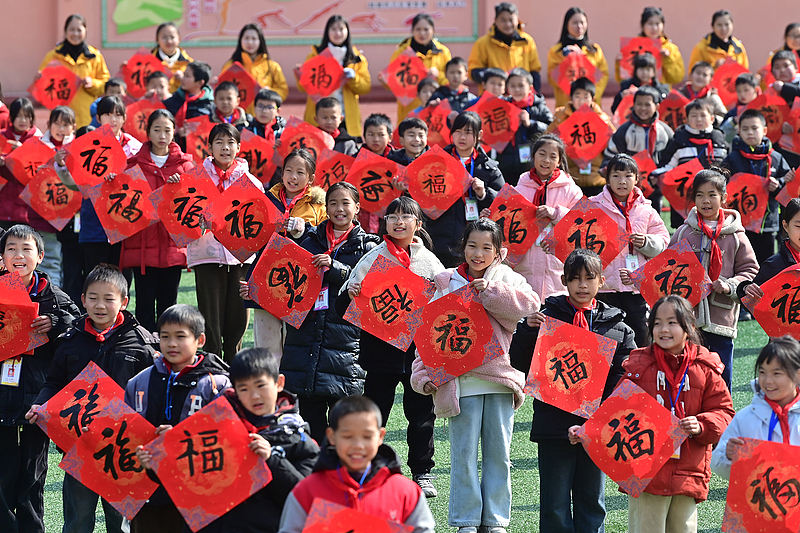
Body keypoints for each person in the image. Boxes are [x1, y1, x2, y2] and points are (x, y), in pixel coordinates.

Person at [411, 219, 539, 533]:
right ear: (463, 247)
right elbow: (426, 333)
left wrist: (491, 291)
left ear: (499, 252)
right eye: (472, 246)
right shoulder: (445, 281)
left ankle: (495, 520)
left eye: (486, 248)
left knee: (500, 454)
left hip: (499, 380)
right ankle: (467, 520)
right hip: (459, 383)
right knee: (463, 455)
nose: (477, 254)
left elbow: (531, 308)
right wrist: (421, 374)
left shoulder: (507, 278)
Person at [511, 249, 636, 533]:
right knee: (554, 503)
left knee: (592, 499)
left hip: (597, 426)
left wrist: (599, 413)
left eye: (589, 278)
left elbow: (624, 378)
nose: (582, 285)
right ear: (564, 280)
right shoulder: (545, 318)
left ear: (602, 281)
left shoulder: (618, 327)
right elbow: (518, 362)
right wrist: (527, 331)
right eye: (575, 278)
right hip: (554, 424)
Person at [27, 264, 155, 533]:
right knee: (77, 521)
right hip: (79, 447)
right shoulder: (70, 340)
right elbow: (54, 382)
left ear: (123, 301)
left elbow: (151, 392)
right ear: (83, 300)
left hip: (122, 450)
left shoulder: (140, 343)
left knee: (120, 525)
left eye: (109, 299)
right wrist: (41, 402)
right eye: (93, 298)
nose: (100, 305)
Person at [335, 197, 445, 498]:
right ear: (384, 223)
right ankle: (370, 467)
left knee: (421, 415)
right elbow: (341, 304)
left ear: (418, 225)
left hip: (417, 354)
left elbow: (444, 305)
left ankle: (422, 472)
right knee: (375, 413)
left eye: (406, 217)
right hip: (380, 351)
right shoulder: (372, 257)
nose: (398, 222)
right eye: (392, 216)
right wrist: (351, 292)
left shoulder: (429, 262)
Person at [604, 295, 734, 533]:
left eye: (672, 322)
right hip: (646, 471)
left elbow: (724, 412)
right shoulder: (638, 366)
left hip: (689, 468)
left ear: (689, 328)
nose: (663, 329)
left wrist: (702, 424)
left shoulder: (705, 368)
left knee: (683, 527)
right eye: (657, 323)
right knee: (646, 527)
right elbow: (615, 412)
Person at [278, 182, 380, 444]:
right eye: (333, 203)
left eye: (346, 203)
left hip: (344, 343)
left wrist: (335, 268)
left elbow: (370, 288)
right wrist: (256, 289)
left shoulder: (369, 247)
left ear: (357, 208)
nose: (339, 209)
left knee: (342, 420)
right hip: (304, 338)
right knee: (311, 421)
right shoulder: (308, 240)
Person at [0, 225, 79, 533]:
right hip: (2, 398)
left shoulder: (54, 297)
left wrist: (57, 324)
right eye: (11, 249)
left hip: (37, 399)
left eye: (26, 249)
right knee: (3, 477)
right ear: (2, 256)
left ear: (41, 256)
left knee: (33, 478)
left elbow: (77, 338)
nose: (18, 255)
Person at [126, 304, 230, 533]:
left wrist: (180, 438)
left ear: (200, 340)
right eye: (165, 337)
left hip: (198, 490)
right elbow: (125, 431)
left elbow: (228, 437)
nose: (172, 343)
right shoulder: (138, 382)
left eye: (180, 336)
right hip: (149, 490)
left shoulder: (217, 384)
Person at [197, 347, 319, 533]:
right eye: (244, 389)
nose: (254, 396)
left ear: (279, 383)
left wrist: (272, 459)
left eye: (261, 385)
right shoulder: (214, 428)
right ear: (234, 391)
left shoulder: (298, 438)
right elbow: (187, 479)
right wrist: (163, 454)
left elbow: (305, 497)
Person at [278, 396, 436, 533]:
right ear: (331, 437)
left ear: (381, 436)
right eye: (348, 436)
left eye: (367, 436)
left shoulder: (405, 492)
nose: (358, 445)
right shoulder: (308, 491)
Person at [668, 169, 759, 389]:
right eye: (699, 195)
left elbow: (750, 270)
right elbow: (667, 268)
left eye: (712, 194)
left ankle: (721, 418)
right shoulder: (684, 233)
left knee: (720, 373)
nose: (705, 201)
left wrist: (729, 285)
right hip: (688, 316)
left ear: (724, 198)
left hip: (721, 318)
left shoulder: (736, 235)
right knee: (688, 375)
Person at [242, 149, 326, 360]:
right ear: (282, 173)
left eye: (300, 172)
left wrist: (305, 228)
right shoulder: (265, 200)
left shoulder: (318, 205)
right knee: (266, 342)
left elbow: (325, 240)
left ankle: (289, 390)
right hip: (266, 278)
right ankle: (269, 387)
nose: (293, 177)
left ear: (311, 178)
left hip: (298, 281)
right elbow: (245, 232)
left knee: (294, 343)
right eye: (289, 170)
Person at [188, 123, 263, 361]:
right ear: (209, 147)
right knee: (210, 319)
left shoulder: (252, 182)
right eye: (219, 142)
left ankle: (233, 365)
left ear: (239, 147)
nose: (225, 147)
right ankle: (211, 364)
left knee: (237, 318)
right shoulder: (195, 179)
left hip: (241, 258)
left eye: (230, 142)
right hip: (206, 255)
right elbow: (182, 214)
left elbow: (260, 220)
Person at [119, 109, 194, 333]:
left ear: (174, 133)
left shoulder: (185, 166)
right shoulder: (132, 165)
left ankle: (167, 350)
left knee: (168, 305)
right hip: (142, 246)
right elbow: (121, 201)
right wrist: (113, 180)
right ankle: (145, 351)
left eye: (167, 130)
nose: (162, 135)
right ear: (148, 132)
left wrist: (180, 186)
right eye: (157, 130)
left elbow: (194, 202)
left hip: (172, 246)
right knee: (143, 304)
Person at [55, 95, 142, 279]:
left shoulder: (135, 147)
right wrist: (62, 165)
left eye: (118, 115)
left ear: (124, 119)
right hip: (95, 222)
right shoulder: (86, 145)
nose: (113, 119)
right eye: (108, 114)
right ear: (98, 118)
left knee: (122, 278)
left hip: (124, 220)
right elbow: (74, 185)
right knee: (95, 277)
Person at [594, 154, 670, 346]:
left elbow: (663, 242)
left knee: (640, 339)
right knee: (606, 341)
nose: (622, 181)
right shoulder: (593, 206)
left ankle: (639, 376)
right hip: (604, 286)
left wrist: (646, 242)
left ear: (637, 179)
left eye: (628, 176)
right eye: (616, 175)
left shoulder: (646, 210)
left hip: (637, 287)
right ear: (607, 178)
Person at [504, 134, 582, 299]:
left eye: (552, 156)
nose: (546, 160)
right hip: (525, 264)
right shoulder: (520, 187)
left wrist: (555, 213)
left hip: (556, 266)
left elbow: (581, 223)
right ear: (533, 157)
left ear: (559, 161)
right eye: (542, 154)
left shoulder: (571, 190)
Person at [712, 336, 800, 480]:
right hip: (757, 499)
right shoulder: (746, 417)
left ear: (798, 375)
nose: (767, 380)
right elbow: (717, 465)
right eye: (763, 372)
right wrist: (727, 456)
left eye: (776, 373)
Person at [427, 111, 504, 268]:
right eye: (458, 132)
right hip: (439, 236)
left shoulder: (488, 167)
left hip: (475, 243)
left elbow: (503, 201)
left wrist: (483, 193)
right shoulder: (435, 161)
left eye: (468, 132)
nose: (462, 137)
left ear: (479, 134)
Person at [0, 98, 63, 286]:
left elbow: (43, 174)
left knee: (29, 255)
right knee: (6, 255)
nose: (22, 121)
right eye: (18, 116)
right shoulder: (2, 136)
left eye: (26, 117)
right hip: (5, 204)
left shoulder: (38, 140)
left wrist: (21, 154)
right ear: (11, 118)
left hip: (29, 209)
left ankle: (38, 291)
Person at [722, 109, 794, 265]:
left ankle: (763, 289)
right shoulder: (733, 157)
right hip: (739, 222)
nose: (750, 133)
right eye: (745, 129)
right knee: (740, 260)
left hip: (768, 223)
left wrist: (779, 183)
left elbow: (789, 187)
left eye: (755, 128)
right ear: (739, 131)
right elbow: (721, 182)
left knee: (766, 261)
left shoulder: (776, 157)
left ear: (765, 130)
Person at [653, 99, 728, 229]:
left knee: (714, 231)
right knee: (685, 233)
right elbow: (667, 166)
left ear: (711, 118)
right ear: (687, 119)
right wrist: (657, 175)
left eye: (703, 115)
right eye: (694, 116)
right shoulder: (679, 141)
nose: (698, 119)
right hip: (685, 197)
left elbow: (728, 167)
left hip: (713, 196)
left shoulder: (719, 140)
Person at [601, 85, 673, 212]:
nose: (643, 108)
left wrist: (661, 174)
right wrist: (606, 166)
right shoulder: (624, 130)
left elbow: (672, 156)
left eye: (647, 104)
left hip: (654, 184)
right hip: (629, 182)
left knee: (653, 214)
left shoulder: (665, 131)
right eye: (639, 104)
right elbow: (613, 152)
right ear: (633, 105)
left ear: (656, 106)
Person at [297, 16, 370, 138]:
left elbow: (365, 88)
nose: (338, 33)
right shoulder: (315, 56)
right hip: (319, 118)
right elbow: (303, 88)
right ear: (327, 32)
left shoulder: (357, 59)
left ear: (347, 31)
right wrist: (300, 77)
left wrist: (353, 78)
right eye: (333, 29)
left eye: (341, 29)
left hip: (346, 118)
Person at [37, 14, 110, 128]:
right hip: (60, 120)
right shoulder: (54, 56)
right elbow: (43, 88)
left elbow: (106, 83)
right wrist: (40, 80)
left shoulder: (95, 56)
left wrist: (92, 83)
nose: (75, 34)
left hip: (87, 118)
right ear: (65, 31)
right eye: (71, 29)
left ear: (85, 31)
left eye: (79, 30)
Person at [546, 77, 615, 197]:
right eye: (577, 96)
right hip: (569, 180)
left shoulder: (602, 120)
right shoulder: (560, 118)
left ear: (593, 99)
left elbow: (614, 148)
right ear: (571, 98)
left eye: (586, 96)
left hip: (597, 180)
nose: (581, 100)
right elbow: (547, 142)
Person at [41, 107, 81, 305]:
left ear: (73, 127)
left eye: (66, 124)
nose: (61, 128)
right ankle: (52, 300)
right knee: (50, 258)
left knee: (72, 261)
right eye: (57, 123)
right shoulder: (39, 145)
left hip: (74, 214)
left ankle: (69, 302)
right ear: (48, 125)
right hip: (46, 214)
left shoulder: (79, 146)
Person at [382, 13, 451, 121]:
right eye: (418, 29)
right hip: (409, 110)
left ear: (433, 30)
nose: (422, 33)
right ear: (412, 31)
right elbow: (394, 82)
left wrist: (438, 75)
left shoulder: (443, 52)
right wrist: (385, 80)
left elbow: (450, 81)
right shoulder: (402, 52)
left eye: (426, 29)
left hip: (436, 109)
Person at [468, 2, 541, 95]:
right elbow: (474, 72)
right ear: (495, 20)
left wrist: (537, 95)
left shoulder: (527, 41)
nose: (508, 24)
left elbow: (534, 71)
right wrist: (496, 76)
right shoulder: (482, 43)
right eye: (503, 20)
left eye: (511, 20)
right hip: (493, 98)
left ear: (517, 20)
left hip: (520, 97)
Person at [498, 68, 553, 186]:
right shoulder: (502, 107)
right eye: (512, 86)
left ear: (530, 88)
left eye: (521, 85)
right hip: (506, 161)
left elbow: (551, 129)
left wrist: (531, 124)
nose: (517, 89)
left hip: (531, 163)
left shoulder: (539, 107)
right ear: (508, 88)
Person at [738, 198, 800, 302]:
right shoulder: (773, 266)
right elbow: (752, 302)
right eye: (798, 226)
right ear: (786, 226)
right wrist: (746, 288)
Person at [547, 7, 609, 107]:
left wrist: (592, 94)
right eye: (575, 22)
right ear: (566, 25)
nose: (579, 26)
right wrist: (569, 59)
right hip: (566, 105)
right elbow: (552, 78)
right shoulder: (556, 51)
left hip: (591, 105)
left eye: (582, 22)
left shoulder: (595, 50)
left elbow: (603, 75)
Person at [222, 23, 288, 112]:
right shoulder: (231, 66)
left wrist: (269, 91)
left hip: (263, 116)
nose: (250, 42)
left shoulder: (272, 66)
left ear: (260, 41)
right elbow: (222, 91)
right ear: (240, 41)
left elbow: (283, 91)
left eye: (254, 39)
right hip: (237, 117)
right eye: (246, 38)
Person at [614, 7, 684, 87]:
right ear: (643, 26)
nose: (654, 28)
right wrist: (619, 64)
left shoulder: (670, 48)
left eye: (657, 24)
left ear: (663, 25)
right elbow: (623, 80)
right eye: (650, 24)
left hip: (660, 94)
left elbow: (677, 78)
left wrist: (667, 59)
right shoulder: (632, 47)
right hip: (638, 93)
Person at [359, 113, 394, 232]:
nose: (376, 139)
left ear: (390, 137)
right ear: (364, 136)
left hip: (390, 217)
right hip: (362, 215)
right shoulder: (354, 160)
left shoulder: (398, 161)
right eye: (371, 134)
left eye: (381, 135)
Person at [162, 61, 214, 131]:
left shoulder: (209, 105)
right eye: (184, 75)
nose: (182, 79)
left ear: (200, 83)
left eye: (187, 76)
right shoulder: (173, 100)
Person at [150, 22, 193, 94]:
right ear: (157, 39)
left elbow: (196, 90)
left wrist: (184, 79)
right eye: (164, 37)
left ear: (179, 38)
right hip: (154, 104)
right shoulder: (147, 62)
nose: (169, 41)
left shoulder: (190, 64)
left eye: (172, 37)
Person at [719, 72, 760, 143]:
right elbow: (722, 136)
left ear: (756, 89)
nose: (742, 94)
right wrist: (733, 122)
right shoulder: (733, 113)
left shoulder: (765, 108)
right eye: (738, 91)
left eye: (746, 90)